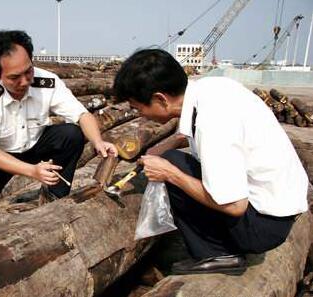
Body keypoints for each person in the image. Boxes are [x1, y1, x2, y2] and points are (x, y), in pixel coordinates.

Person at [113, 49, 308, 275]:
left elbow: (235, 206)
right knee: (172, 158)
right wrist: (166, 146)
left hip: (263, 227)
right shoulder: (209, 89)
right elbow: (190, 131)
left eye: (139, 108)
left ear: (160, 99)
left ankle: (218, 253)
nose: (142, 115)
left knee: (173, 166)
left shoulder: (212, 122)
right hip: (277, 208)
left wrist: (170, 174)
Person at [0, 30, 117, 210]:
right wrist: (32, 171)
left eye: (28, 71)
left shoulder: (47, 82)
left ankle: (55, 197)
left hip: (36, 144)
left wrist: (98, 141)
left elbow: (82, 115)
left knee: (71, 134)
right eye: (14, 77)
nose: (25, 81)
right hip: (2, 155)